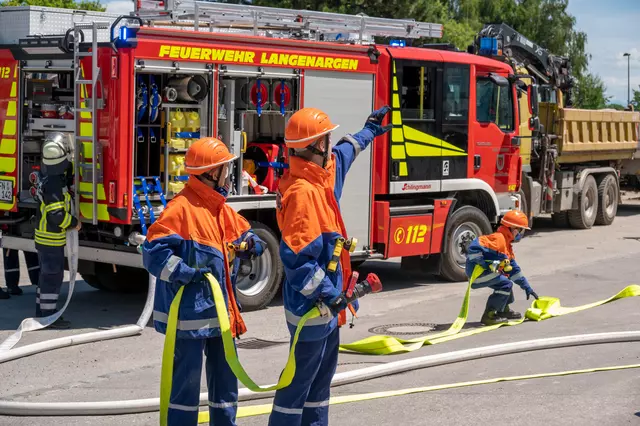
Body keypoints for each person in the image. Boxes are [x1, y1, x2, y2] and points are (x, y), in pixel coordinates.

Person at [268, 106, 391, 426]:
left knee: (320, 387)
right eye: (326, 138)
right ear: (315, 146)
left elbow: (345, 151)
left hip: (329, 306)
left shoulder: (320, 174)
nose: (331, 143)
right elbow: (298, 263)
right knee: (297, 387)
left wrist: (369, 131)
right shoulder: (302, 195)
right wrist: (327, 294)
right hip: (312, 309)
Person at [142, 137, 265, 426]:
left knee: (225, 386)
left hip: (221, 317)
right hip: (190, 318)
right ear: (211, 173)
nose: (227, 174)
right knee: (184, 389)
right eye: (224, 168)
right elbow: (153, 255)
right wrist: (186, 273)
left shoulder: (219, 207)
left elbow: (246, 235)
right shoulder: (181, 208)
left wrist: (252, 243)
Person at [34, 132, 80, 329]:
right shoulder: (53, 185)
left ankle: (41, 310)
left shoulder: (50, 179)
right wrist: (74, 222)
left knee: (46, 275)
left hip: (45, 239)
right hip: (51, 239)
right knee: (53, 276)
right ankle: (48, 315)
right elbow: (57, 216)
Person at [465, 209, 539, 325]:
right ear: (513, 229)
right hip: (477, 274)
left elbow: (514, 271)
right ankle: (489, 315)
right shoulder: (499, 239)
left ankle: (503, 310)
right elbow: (473, 248)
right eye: (520, 230)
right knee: (505, 284)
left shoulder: (506, 244)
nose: (520, 234)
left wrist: (527, 287)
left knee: (506, 279)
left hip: (483, 273)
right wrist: (484, 264)